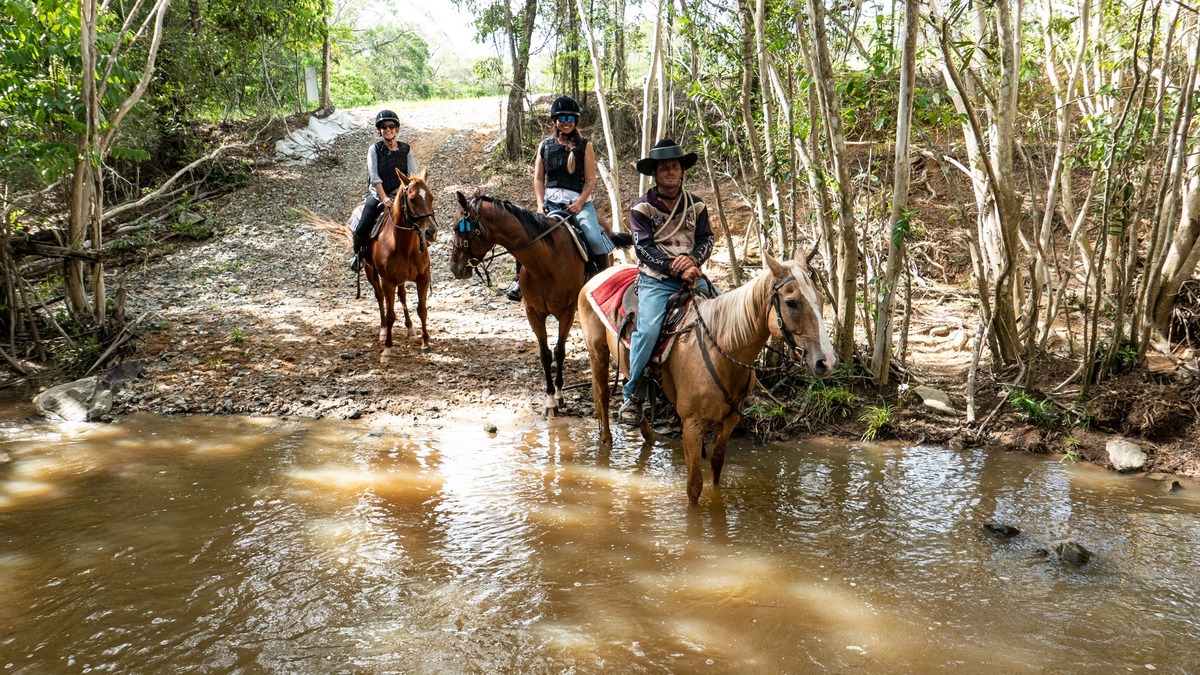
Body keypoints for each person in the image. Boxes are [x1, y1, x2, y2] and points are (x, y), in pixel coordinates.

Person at [618, 139, 717, 425]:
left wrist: (693, 260)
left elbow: (707, 239)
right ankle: (632, 394)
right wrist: (675, 267)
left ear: (682, 170)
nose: (670, 172)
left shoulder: (696, 205)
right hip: (656, 280)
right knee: (648, 330)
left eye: (675, 166)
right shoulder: (642, 208)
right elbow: (643, 248)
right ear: (655, 173)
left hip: (692, 275)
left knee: (727, 314)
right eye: (664, 168)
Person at [504, 95, 615, 301]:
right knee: (526, 233)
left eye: (570, 118)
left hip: (578, 204)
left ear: (575, 121)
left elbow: (590, 180)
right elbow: (539, 179)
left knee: (593, 237)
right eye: (562, 118)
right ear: (555, 120)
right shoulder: (545, 146)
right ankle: (519, 281)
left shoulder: (585, 146)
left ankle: (603, 281)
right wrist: (540, 204)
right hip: (551, 203)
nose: (566, 122)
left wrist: (580, 203)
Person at [351, 110, 418, 272]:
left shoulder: (406, 149)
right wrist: (384, 198)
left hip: (400, 196)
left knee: (422, 217)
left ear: (397, 129)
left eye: (391, 126)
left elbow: (412, 176)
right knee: (361, 228)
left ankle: (423, 250)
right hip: (379, 195)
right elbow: (375, 177)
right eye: (384, 127)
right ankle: (358, 255)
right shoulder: (374, 150)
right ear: (379, 131)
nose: (388, 129)